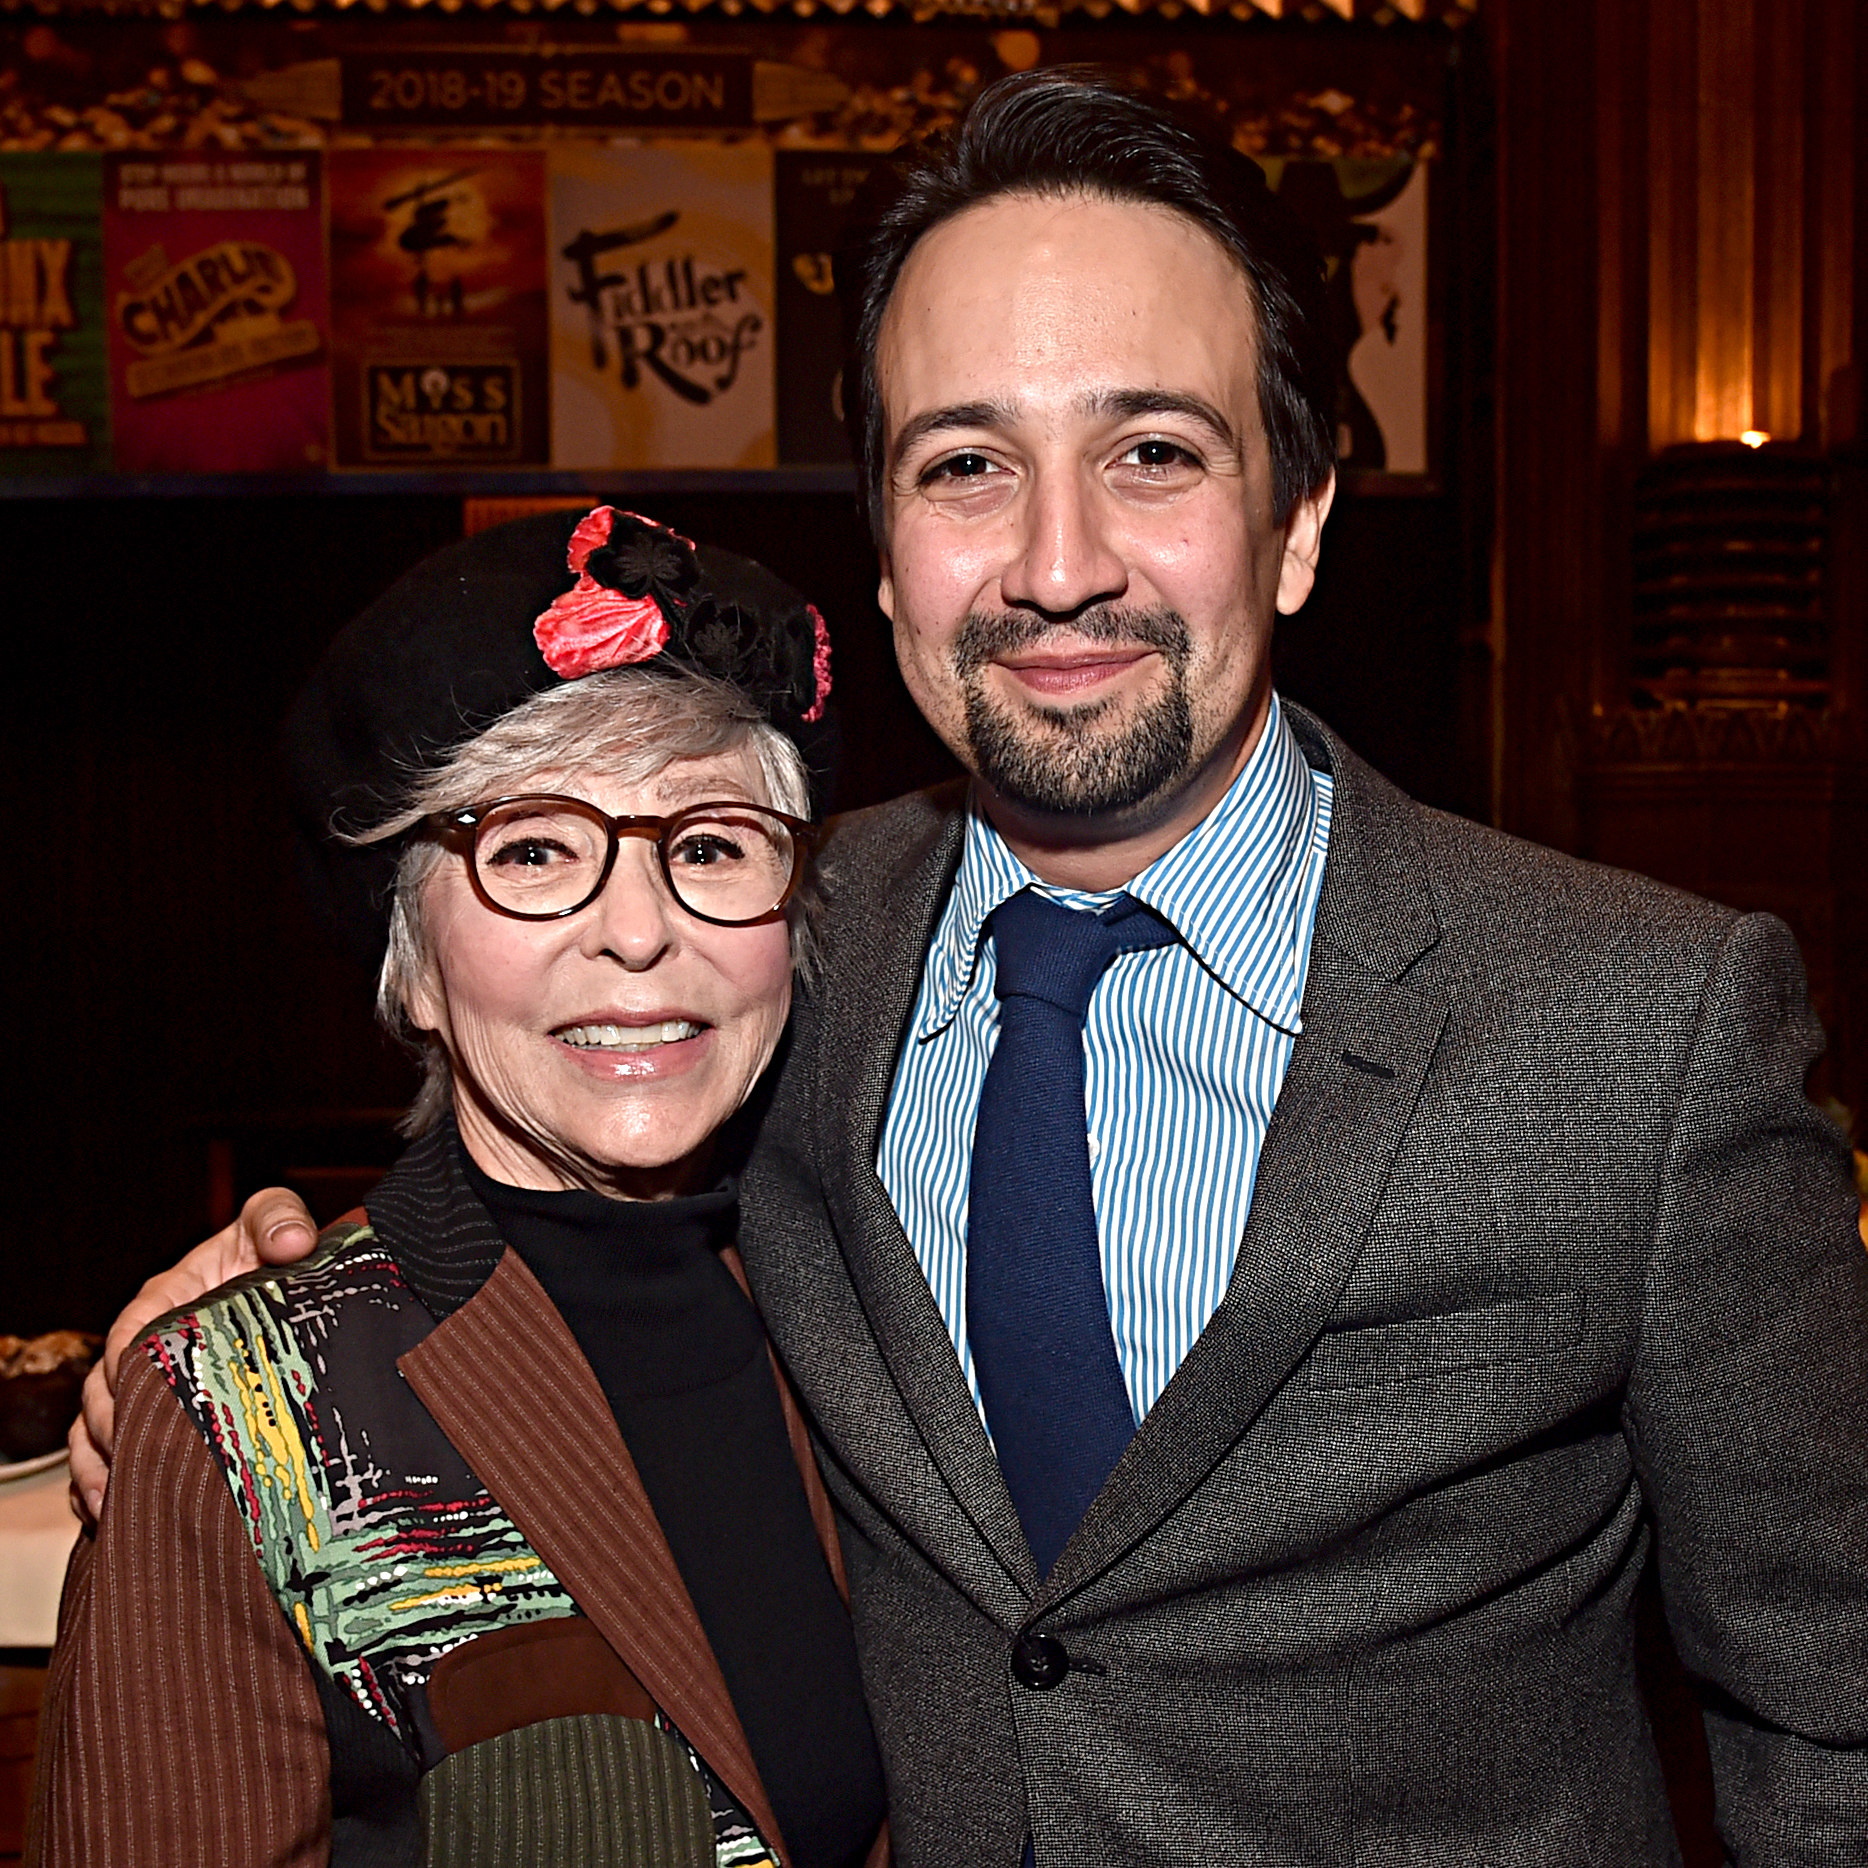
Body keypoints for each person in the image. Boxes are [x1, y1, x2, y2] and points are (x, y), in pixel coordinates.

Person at [77, 70, 1868, 1867]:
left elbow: (1831, 1710)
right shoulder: (778, 946)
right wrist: (232, 1378)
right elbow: (546, 1180)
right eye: (967, 466)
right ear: (883, 543)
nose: (1058, 563)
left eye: (1155, 450)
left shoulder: (1646, 1025)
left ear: (1300, 517)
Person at [34, 507, 887, 1868]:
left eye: (713, 842)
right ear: (413, 961)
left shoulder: (888, 1303)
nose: (638, 925)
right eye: (536, 849)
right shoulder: (242, 1413)